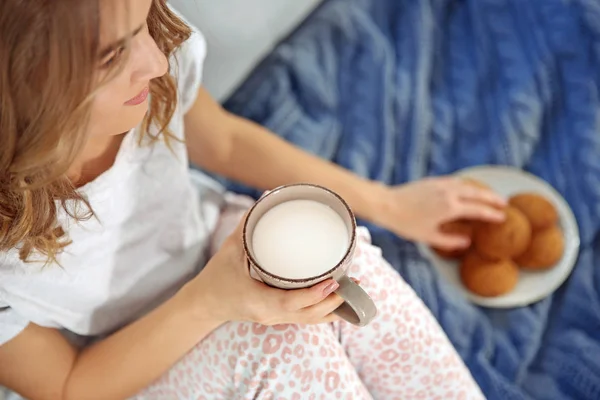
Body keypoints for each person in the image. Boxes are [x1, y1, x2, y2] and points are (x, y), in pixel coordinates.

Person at [0, 1, 505, 399]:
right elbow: (68, 387)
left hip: (206, 250)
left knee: (343, 268)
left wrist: (391, 205)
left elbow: (224, 143)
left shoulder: (150, 52)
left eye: (144, 23)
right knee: (282, 346)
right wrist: (211, 302)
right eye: (111, 56)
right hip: (120, 365)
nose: (155, 62)